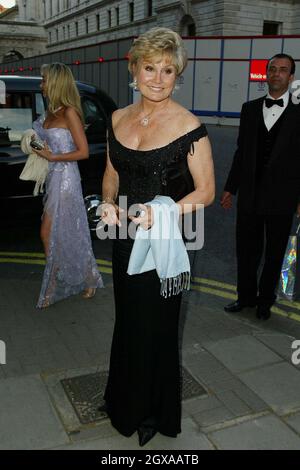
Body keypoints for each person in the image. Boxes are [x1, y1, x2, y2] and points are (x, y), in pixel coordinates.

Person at [99, 27, 215, 446]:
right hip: (125, 240)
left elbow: (205, 191)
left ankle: (153, 412)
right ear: (135, 68)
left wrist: (162, 209)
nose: (158, 78)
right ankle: (121, 398)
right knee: (128, 322)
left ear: (177, 74)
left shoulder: (189, 126)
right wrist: (107, 203)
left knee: (158, 329)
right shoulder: (117, 119)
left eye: (168, 70)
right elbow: (111, 175)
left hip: (164, 243)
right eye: (150, 67)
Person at [221, 53, 300, 320]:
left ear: (291, 77)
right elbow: (241, 152)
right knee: (246, 250)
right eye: (272, 69)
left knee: (275, 252)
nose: (276, 74)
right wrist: (231, 187)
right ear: (266, 74)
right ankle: (245, 298)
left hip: (283, 196)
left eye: (282, 70)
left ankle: (265, 301)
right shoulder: (250, 109)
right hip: (250, 196)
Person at [31, 63, 103, 308]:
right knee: (64, 232)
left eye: (43, 80)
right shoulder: (50, 112)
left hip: (67, 179)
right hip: (53, 177)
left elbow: (83, 152)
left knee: (49, 232)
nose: (41, 84)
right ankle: (86, 275)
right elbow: (44, 143)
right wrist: (37, 148)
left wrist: (54, 157)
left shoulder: (70, 112)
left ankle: (53, 284)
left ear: (55, 82)